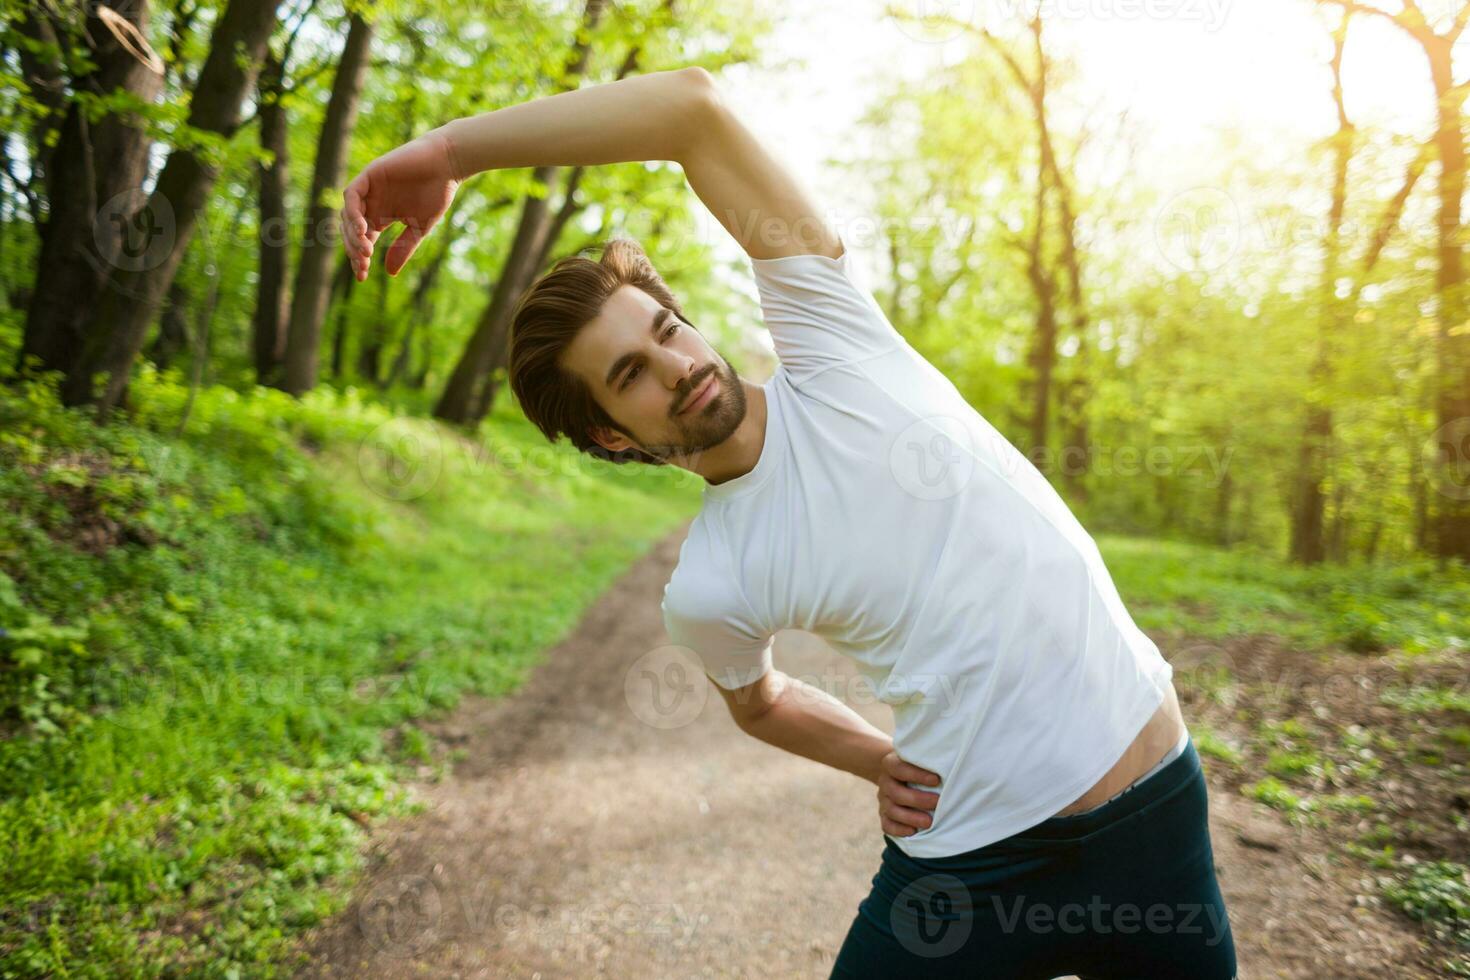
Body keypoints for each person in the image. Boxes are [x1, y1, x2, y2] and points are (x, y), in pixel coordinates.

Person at [339, 65, 1237, 979]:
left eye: (665, 331)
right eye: (629, 376)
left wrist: (454, 150)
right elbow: (759, 701)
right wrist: (877, 759)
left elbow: (693, 107)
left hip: (1153, 814)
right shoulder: (711, 583)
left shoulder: (833, 335)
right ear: (614, 435)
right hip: (971, 869)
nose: (676, 365)